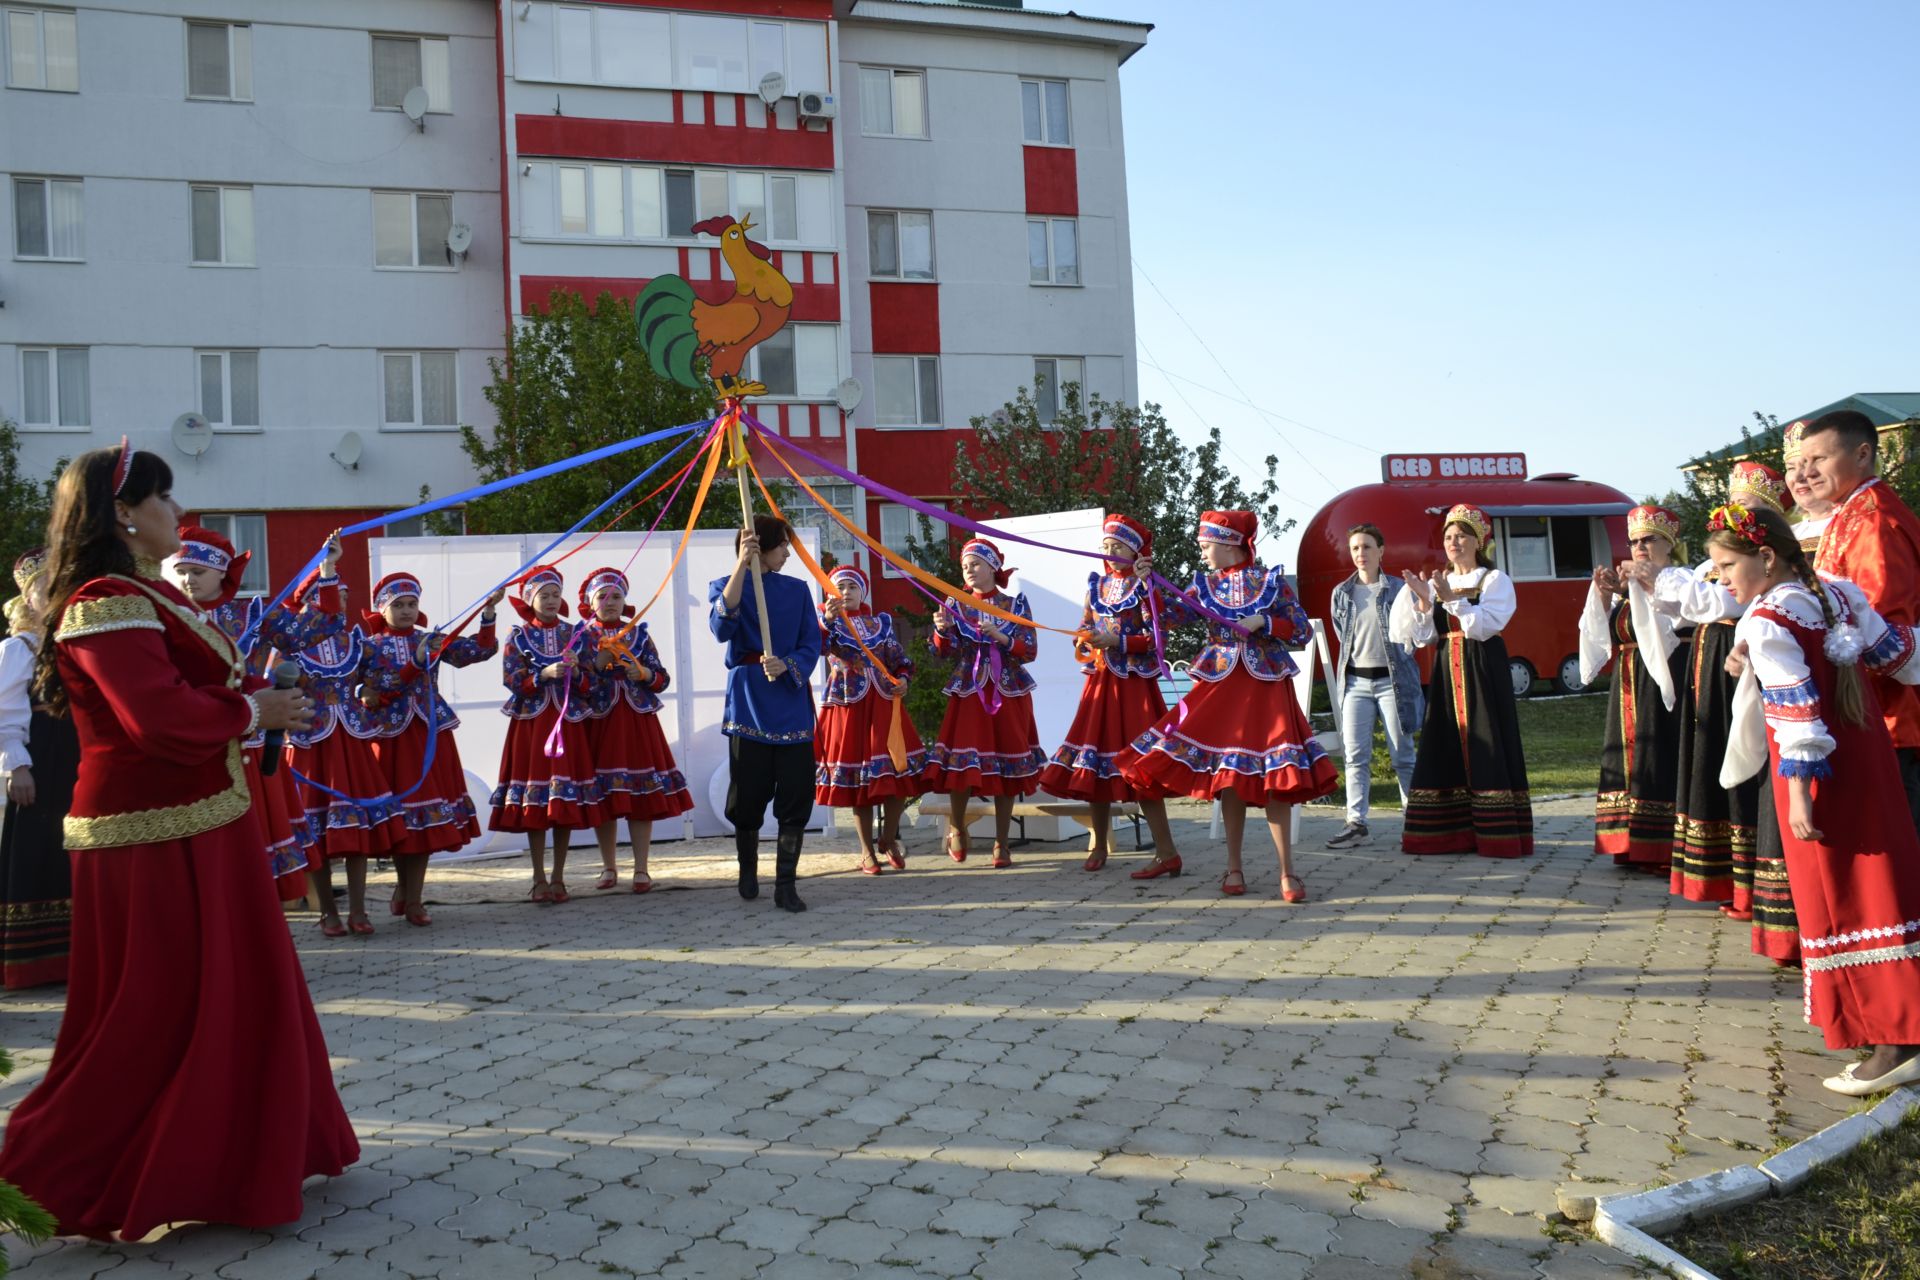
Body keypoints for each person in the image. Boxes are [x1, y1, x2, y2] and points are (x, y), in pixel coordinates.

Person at [0, 442, 357, 1239]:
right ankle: (46, 1174)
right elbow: (155, 718)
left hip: (195, 819)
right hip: (153, 838)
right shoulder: (104, 600)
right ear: (125, 515)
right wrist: (249, 714)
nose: (179, 512)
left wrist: (257, 699)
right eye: (167, 499)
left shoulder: (142, 595)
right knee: (154, 1011)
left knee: (221, 997)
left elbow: (189, 692)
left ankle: (236, 1162)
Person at [1710, 501, 1920, 1095]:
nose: (1722, 577)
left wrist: (1799, 798)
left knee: (1843, 893)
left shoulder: (1767, 617)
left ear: (1765, 557)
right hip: (1867, 755)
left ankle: (1892, 1043)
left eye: (1727, 564)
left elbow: (1796, 711)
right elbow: (1898, 657)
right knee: (1886, 883)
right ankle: (1896, 1023)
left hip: (1820, 770)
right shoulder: (1836, 592)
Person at [1121, 510, 1337, 898]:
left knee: (1276, 777)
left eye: (1205, 546)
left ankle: (1287, 871)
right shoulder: (1203, 587)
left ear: (1228, 543)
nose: (1202, 553)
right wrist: (1147, 584)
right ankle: (1233, 869)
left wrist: (1265, 624)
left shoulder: (1270, 582)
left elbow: (1303, 630)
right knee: (1230, 777)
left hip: (1266, 687)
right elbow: (1165, 617)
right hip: (1221, 687)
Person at [172, 524, 347, 907]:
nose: (187, 581)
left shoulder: (250, 614)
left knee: (258, 862)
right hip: (195, 750)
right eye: (182, 572)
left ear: (222, 572)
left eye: (197, 572)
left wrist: (328, 571)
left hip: (250, 748)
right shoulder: (168, 618)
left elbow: (317, 628)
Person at [1663, 461, 1784, 908]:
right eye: (1732, 502)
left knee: (1747, 757)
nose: (1737, 512)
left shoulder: (1773, 561)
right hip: (1709, 654)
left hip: (1739, 655)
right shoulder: (1706, 564)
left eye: (1748, 505)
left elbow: (1719, 599)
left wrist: (1660, 580)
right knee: (1711, 753)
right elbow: (1688, 610)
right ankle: (1723, 878)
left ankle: (1756, 883)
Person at [1037, 514, 1184, 873]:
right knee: (1095, 765)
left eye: (1117, 545)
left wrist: (1117, 640)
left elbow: (1155, 640)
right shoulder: (1097, 586)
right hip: (1101, 684)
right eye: (1105, 546)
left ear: (1134, 550)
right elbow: (1087, 623)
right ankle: (1099, 845)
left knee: (1141, 767)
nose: (1110, 551)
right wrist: (1084, 636)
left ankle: (1166, 852)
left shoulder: (1147, 586)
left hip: (1133, 686)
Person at [356, 572, 503, 925]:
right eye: (398, 605)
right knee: (399, 817)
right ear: (382, 608)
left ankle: (414, 898)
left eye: (412, 604)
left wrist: (488, 614)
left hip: (428, 733)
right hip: (388, 737)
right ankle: (403, 886)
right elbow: (362, 684)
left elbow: (477, 651)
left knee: (423, 819)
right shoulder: (368, 645)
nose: (407, 611)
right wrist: (365, 693)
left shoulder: (432, 640)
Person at [1389, 503, 1533, 858]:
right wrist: (1425, 603)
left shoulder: (1493, 580)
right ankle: (1448, 833)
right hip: (1446, 666)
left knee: (1486, 738)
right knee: (1446, 740)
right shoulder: (1443, 581)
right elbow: (1425, 638)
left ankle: (1495, 834)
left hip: (1482, 667)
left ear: (1478, 541)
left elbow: (1485, 626)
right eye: (1449, 537)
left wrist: (1452, 600)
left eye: (1461, 536)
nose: (1453, 542)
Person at [1802, 408, 1920, 831]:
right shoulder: (1851, 513)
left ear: (1863, 453)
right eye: (1802, 462)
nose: (1807, 473)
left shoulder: (1873, 521)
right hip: (1867, 707)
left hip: (1887, 713)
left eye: (1819, 459)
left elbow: (1884, 624)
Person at [710, 517, 821, 912]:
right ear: (761, 547)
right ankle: (747, 870)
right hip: (749, 701)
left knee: (795, 792)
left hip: (789, 699)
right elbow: (722, 627)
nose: (788, 553)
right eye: (782, 546)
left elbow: (812, 642)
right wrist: (743, 565)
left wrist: (788, 664)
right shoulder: (725, 586)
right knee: (749, 792)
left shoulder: (798, 590)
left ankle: (786, 884)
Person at [287, 574, 403, 937]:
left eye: (343, 595)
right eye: (332, 595)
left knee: (356, 829)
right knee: (317, 831)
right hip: (312, 744)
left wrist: (380, 683)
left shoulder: (354, 642)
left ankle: (357, 910)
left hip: (351, 741)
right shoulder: (291, 644)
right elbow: (271, 684)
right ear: (310, 599)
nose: (339, 602)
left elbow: (388, 677)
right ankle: (328, 912)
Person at [924, 538, 1048, 869]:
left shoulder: (1014, 604)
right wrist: (940, 631)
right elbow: (940, 652)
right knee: (965, 766)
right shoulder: (955, 605)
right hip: (969, 693)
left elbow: (1031, 649)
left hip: (1008, 691)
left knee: (1007, 768)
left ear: (993, 567)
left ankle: (1002, 842)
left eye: (976, 564)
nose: (969, 571)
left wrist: (1001, 637)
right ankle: (957, 828)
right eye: (965, 566)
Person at [489, 565, 605, 903]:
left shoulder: (578, 633)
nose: (552, 600)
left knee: (562, 802)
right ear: (530, 599)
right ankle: (538, 876)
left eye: (556, 593)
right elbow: (512, 680)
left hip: (568, 725)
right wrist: (544, 675)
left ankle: (559, 876)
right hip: (533, 725)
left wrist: (576, 674)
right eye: (544, 595)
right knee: (537, 803)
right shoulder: (518, 636)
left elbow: (592, 684)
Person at [1581, 505, 1687, 870]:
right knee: (1627, 754)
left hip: (1662, 680)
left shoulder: (1679, 579)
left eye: (1648, 540)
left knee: (1658, 753)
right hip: (1628, 679)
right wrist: (1608, 596)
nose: (1639, 547)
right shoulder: (1633, 588)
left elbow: (1671, 625)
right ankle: (1627, 841)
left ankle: (1658, 847)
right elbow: (1600, 632)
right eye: (1633, 542)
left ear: (1669, 543)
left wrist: (1641, 588)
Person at [577, 566, 692, 892]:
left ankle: (642, 869)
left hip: (637, 722)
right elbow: (577, 684)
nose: (610, 602)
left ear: (625, 600)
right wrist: (598, 665)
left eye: (616, 596)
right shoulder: (582, 636)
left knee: (640, 796)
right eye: (603, 596)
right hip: (600, 722)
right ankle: (608, 867)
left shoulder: (639, 634)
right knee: (607, 796)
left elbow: (662, 678)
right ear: (590, 601)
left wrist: (643, 674)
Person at [815, 563, 926, 876]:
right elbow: (819, 647)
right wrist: (827, 620)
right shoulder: (828, 623)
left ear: (862, 591)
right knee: (860, 782)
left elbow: (899, 659)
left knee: (897, 775)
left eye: (851, 587)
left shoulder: (881, 623)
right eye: (839, 588)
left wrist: (903, 678)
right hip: (849, 706)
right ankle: (866, 851)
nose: (846, 593)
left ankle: (888, 838)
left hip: (884, 704)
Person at [0, 549, 75, 988]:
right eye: (44, 587)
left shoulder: (71, 641)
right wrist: (17, 767)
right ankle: (33, 960)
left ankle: (73, 954)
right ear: (28, 597)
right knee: (37, 849)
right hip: (41, 757)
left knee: (70, 849)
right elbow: (6, 711)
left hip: (75, 754)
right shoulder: (18, 647)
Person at [1325, 522, 1422, 850]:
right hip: (1355, 683)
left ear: (1381, 551)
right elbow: (1343, 634)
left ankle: (1416, 822)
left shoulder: (1398, 590)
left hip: (1391, 683)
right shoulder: (1342, 593)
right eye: (1355, 548)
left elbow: (1412, 635)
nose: (1360, 554)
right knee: (1355, 756)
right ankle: (1356, 823)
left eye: (1367, 547)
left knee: (1403, 755)